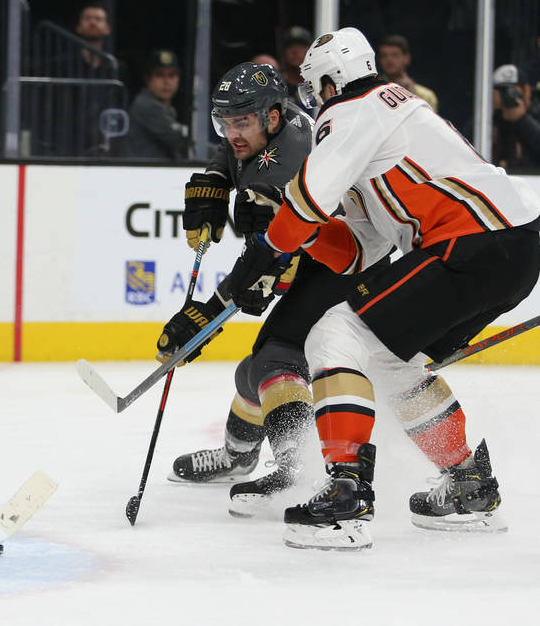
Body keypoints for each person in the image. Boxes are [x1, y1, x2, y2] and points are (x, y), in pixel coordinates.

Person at [212, 27, 540, 550]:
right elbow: (359, 248)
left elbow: (311, 199)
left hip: (471, 242)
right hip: (510, 248)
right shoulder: (386, 117)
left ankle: (346, 496)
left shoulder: (353, 111)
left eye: (311, 85)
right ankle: (467, 485)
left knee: (333, 338)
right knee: (391, 361)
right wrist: (295, 231)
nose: (311, 98)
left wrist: (268, 248)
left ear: (326, 82)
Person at [158, 62, 390, 517]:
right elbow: (234, 153)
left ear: (272, 117)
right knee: (255, 370)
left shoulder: (285, 163)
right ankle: (239, 456)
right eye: (223, 122)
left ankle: (294, 471)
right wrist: (216, 180)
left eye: (241, 121)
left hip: (347, 266)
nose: (231, 132)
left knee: (276, 359)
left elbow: (263, 272)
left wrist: (206, 314)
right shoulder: (273, 125)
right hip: (325, 256)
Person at [125, 49, 188, 160]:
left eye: (172, 75)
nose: (166, 81)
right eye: (159, 75)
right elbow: (182, 139)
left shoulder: (164, 107)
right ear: (148, 79)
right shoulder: (146, 105)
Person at [491, 63, 540, 169]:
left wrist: (522, 120)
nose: (507, 96)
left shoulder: (536, 115)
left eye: (511, 90)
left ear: (526, 91)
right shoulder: (490, 121)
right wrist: (490, 111)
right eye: (501, 91)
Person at [376, 34, 438, 112]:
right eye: (384, 55)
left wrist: (413, 94)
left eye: (395, 55)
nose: (389, 60)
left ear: (407, 58)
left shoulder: (426, 95)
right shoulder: (373, 92)